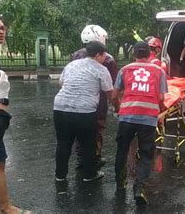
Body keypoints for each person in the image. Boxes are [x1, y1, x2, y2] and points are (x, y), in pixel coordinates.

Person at [112, 41, 168, 205]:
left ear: (134, 54)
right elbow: (162, 98)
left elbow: (114, 96)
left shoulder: (124, 70)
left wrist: (118, 108)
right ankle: (139, 188)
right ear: (149, 53)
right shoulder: (159, 71)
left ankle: (120, 183)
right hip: (148, 119)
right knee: (145, 154)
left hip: (127, 116)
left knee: (122, 150)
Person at [54, 41, 113, 183]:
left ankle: (60, 176)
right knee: (88, 144)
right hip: (85, 111)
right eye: (104, 55)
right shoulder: (101, 69)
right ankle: (89, 175)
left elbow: (61, 83)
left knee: (63, 143)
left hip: (60, 108)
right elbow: (110, 93)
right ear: (98, 54)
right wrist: (116, 106)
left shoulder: (71, 65)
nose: (105, 57)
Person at [0, 14, 30, 214]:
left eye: (3, 28)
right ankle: (6, 207)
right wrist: (0, 101)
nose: (1, 31)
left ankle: (5, 206)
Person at [71, 25, 118, 168]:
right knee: (97, 130)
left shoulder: (76, 55)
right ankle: (95, 157)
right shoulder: (107, 59)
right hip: (98, 101)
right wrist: (116, 104)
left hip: (76, 100)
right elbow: (112, 85)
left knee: (80, 130)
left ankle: (80, 158)